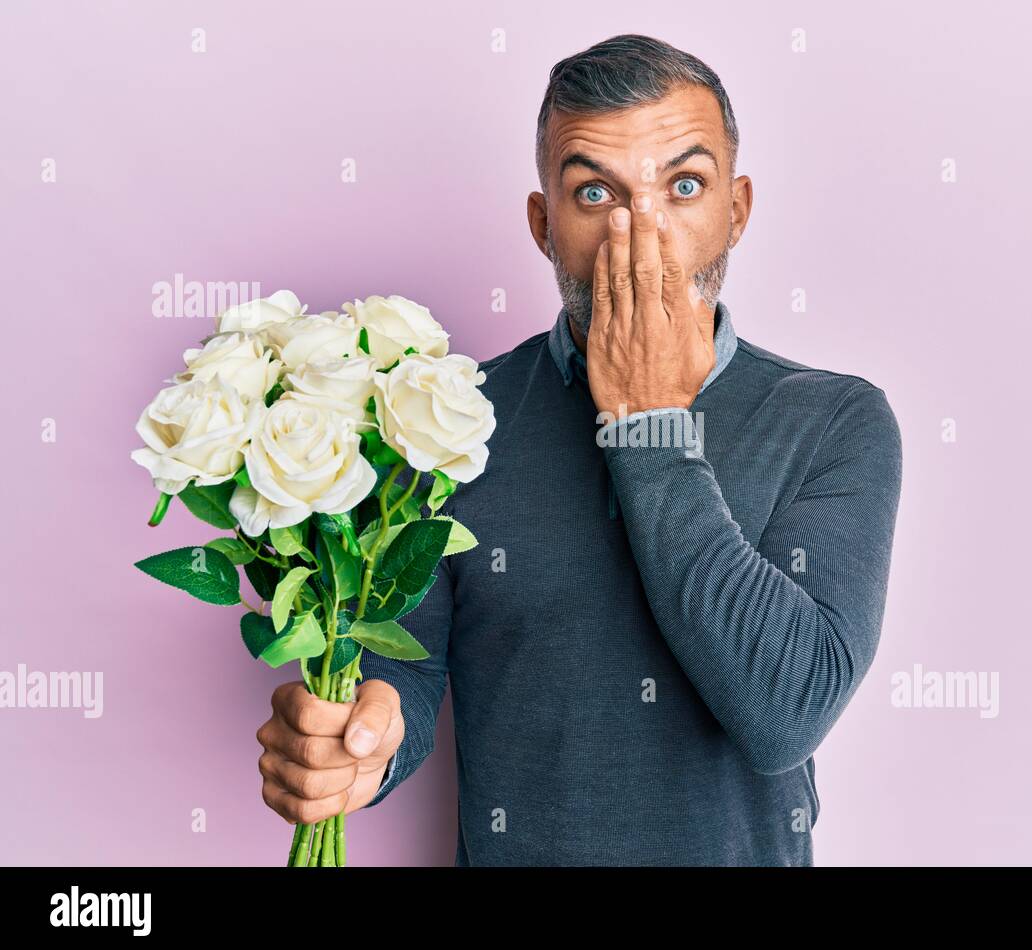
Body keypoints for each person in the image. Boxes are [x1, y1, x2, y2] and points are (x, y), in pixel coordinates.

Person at [256, 33, 903, 866]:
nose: (642, 234)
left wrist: (648, 421)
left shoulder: (835, 422)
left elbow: (784, 710)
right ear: (543, 225)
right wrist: (361, 746)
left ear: (736, 210)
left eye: (684, 186)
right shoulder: (444, 420)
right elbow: (409, 674)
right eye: (595, 191)